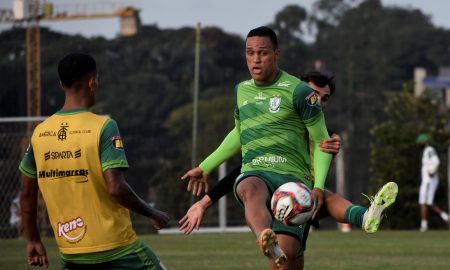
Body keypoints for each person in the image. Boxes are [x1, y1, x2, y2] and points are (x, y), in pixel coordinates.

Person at [182, 26, 332, 269]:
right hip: (256, 170)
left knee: (289, 258)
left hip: (293, 180)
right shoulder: (241, 91)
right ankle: (264, 235)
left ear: (276, 54)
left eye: (262, 53)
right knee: (248, 187)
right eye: (250, 53)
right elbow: (239, 134)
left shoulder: (301, 92)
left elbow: (322, 141)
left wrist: (318, 187)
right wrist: (205, 166)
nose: (255, 59)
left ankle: (279, 244)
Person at [180, 72, 398, 237]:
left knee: (296, 257)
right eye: (314, 96)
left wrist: (320, 180)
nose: (319, 103)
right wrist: (204, 200)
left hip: (299, 201)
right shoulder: (279, 126)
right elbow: (242, 166)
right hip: (281, 200)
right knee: (256, 189)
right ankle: (266, 234)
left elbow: (322, 150)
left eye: (325, 99)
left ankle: (365, 216)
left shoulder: (323, 136)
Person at [18, 53, 169, 269]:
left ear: (62, 84)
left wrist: (32, 239)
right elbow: (116, 188)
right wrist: (152, 213)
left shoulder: (40, 134)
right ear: (92, 82)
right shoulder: (104, 127)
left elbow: (27, 193)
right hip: (118, 249)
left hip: (71, 253)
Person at [416, 133, 449, 232]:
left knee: (424, 202)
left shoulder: (429, 150)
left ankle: (424, 225)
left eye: (421, 142)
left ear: (425, 142)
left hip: (429, 180)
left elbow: (436, 161)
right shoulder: (427, 150)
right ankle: (446, 217)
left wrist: (431, 171)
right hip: (428, 180)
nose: (419, 144)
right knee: (427, 202)